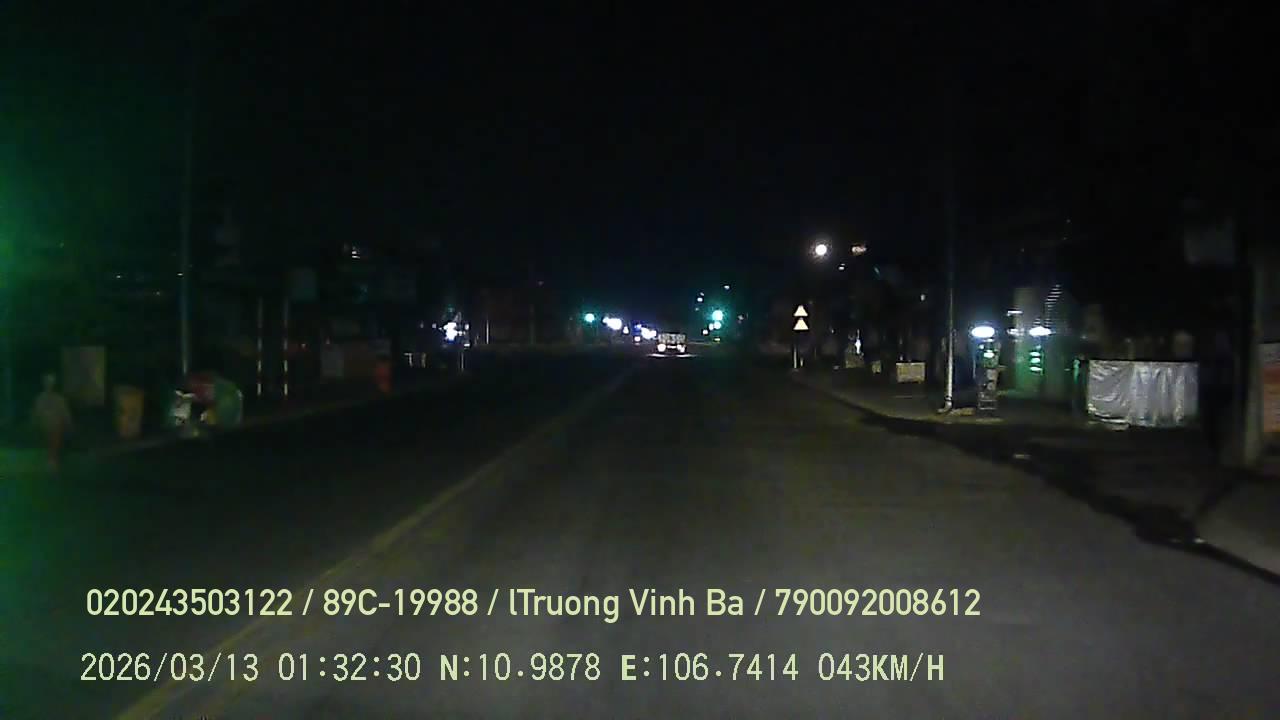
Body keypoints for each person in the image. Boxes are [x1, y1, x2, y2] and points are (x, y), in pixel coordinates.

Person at [32, 373, 73, 472]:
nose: (49, 385)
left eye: (51, 383)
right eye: (47, 382)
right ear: (44, 383)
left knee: (54, 439)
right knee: (50, 439)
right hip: (45, 427)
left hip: (56, 427)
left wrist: (68, 423)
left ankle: (53, 461)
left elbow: (65, 413)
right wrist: (35, 423)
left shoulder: (59, 399)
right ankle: (51, 461)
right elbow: (37, 413)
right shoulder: (40, 398)